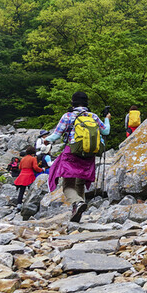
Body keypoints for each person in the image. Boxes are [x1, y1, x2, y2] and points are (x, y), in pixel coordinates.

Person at [46, 91, 110, 222]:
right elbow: (106, 131)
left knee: (68, 184)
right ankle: (78, 211)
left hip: (72, 152)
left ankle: (77, 202)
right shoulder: (93, 116)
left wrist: (46, 140)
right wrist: (107, 119)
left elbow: (56, 135)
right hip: (88, 155)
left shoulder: (68, 116)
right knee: (80, 181)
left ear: (73, 102)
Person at [13, 146, 41, 211]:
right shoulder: (33, 159)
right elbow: (35, 167)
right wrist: (41, 169)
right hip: (29, 175)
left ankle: (19, 205)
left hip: (22, 175)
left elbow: (20, 167)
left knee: (21, 191)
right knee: (31, 190)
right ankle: (29, 204)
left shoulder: (23, 159)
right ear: (33, 152)